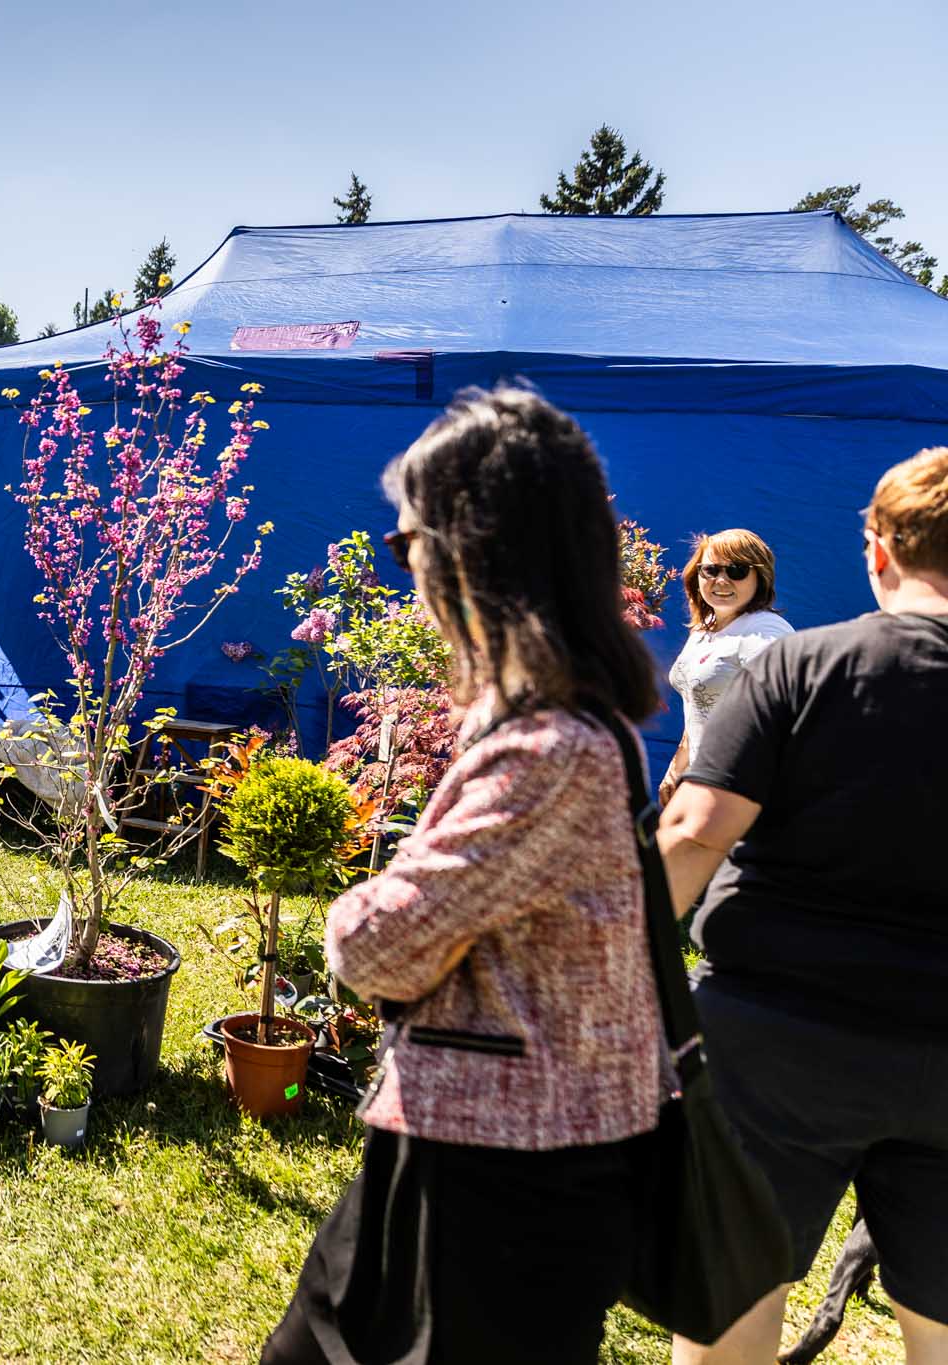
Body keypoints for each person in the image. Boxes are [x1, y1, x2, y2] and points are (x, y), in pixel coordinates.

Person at [260, 388, 664, 1365]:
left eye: (407, 550)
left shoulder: (550, 751)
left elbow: (373, 946)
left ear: (475, 553)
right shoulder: (571, 726)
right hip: (471, 1149)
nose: (406, 581)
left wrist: (362, 898)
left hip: (505, 1183)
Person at [660, 447, 948, 1365]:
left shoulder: (798, 668)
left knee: (731, 1306)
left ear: (877, 551)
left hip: (775, 1041)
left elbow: (697, 836)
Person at [658, 529, 792, 806]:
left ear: (761, 577)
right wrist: (677, 766)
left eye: (737, 570)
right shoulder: (704, 630)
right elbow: (702, 704)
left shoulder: (763, 629)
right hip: (705, 783)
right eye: (710, 569)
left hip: (743, 792)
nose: (721, 579)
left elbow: (784, 710)